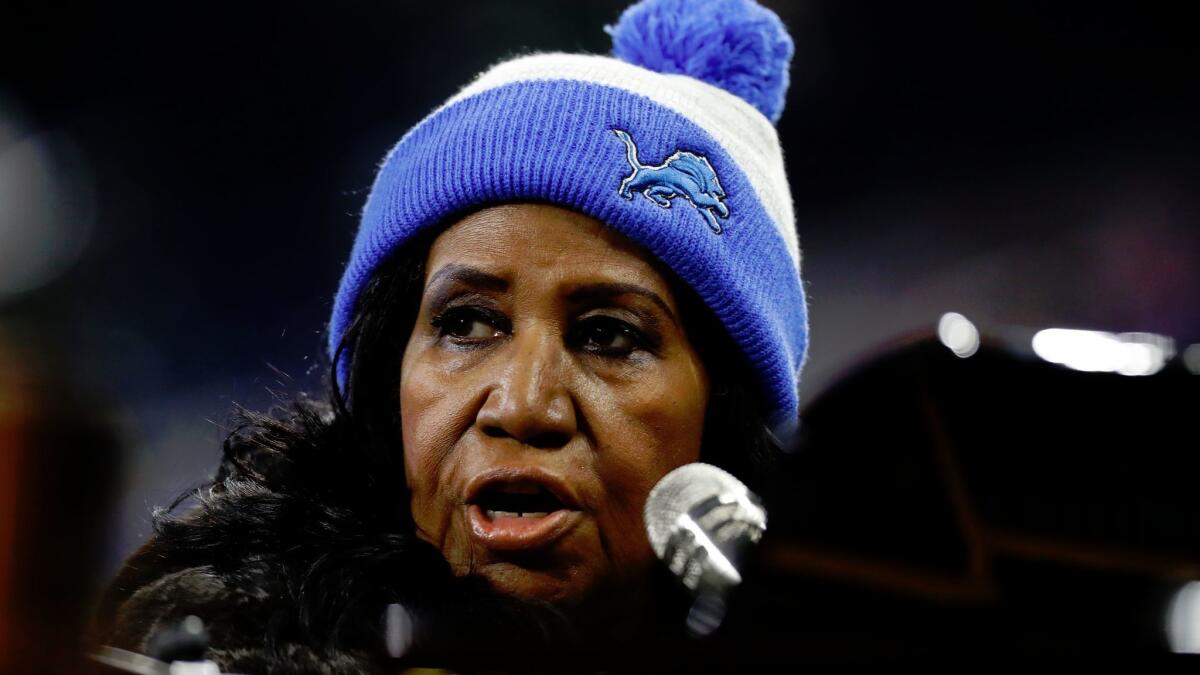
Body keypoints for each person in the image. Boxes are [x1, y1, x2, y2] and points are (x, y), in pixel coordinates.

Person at [93, 0, 808, 671]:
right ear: (386, 387)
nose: (523, 406)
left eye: (608, 335)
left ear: (725, 421)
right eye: (465, 323)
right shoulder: (200, 646)